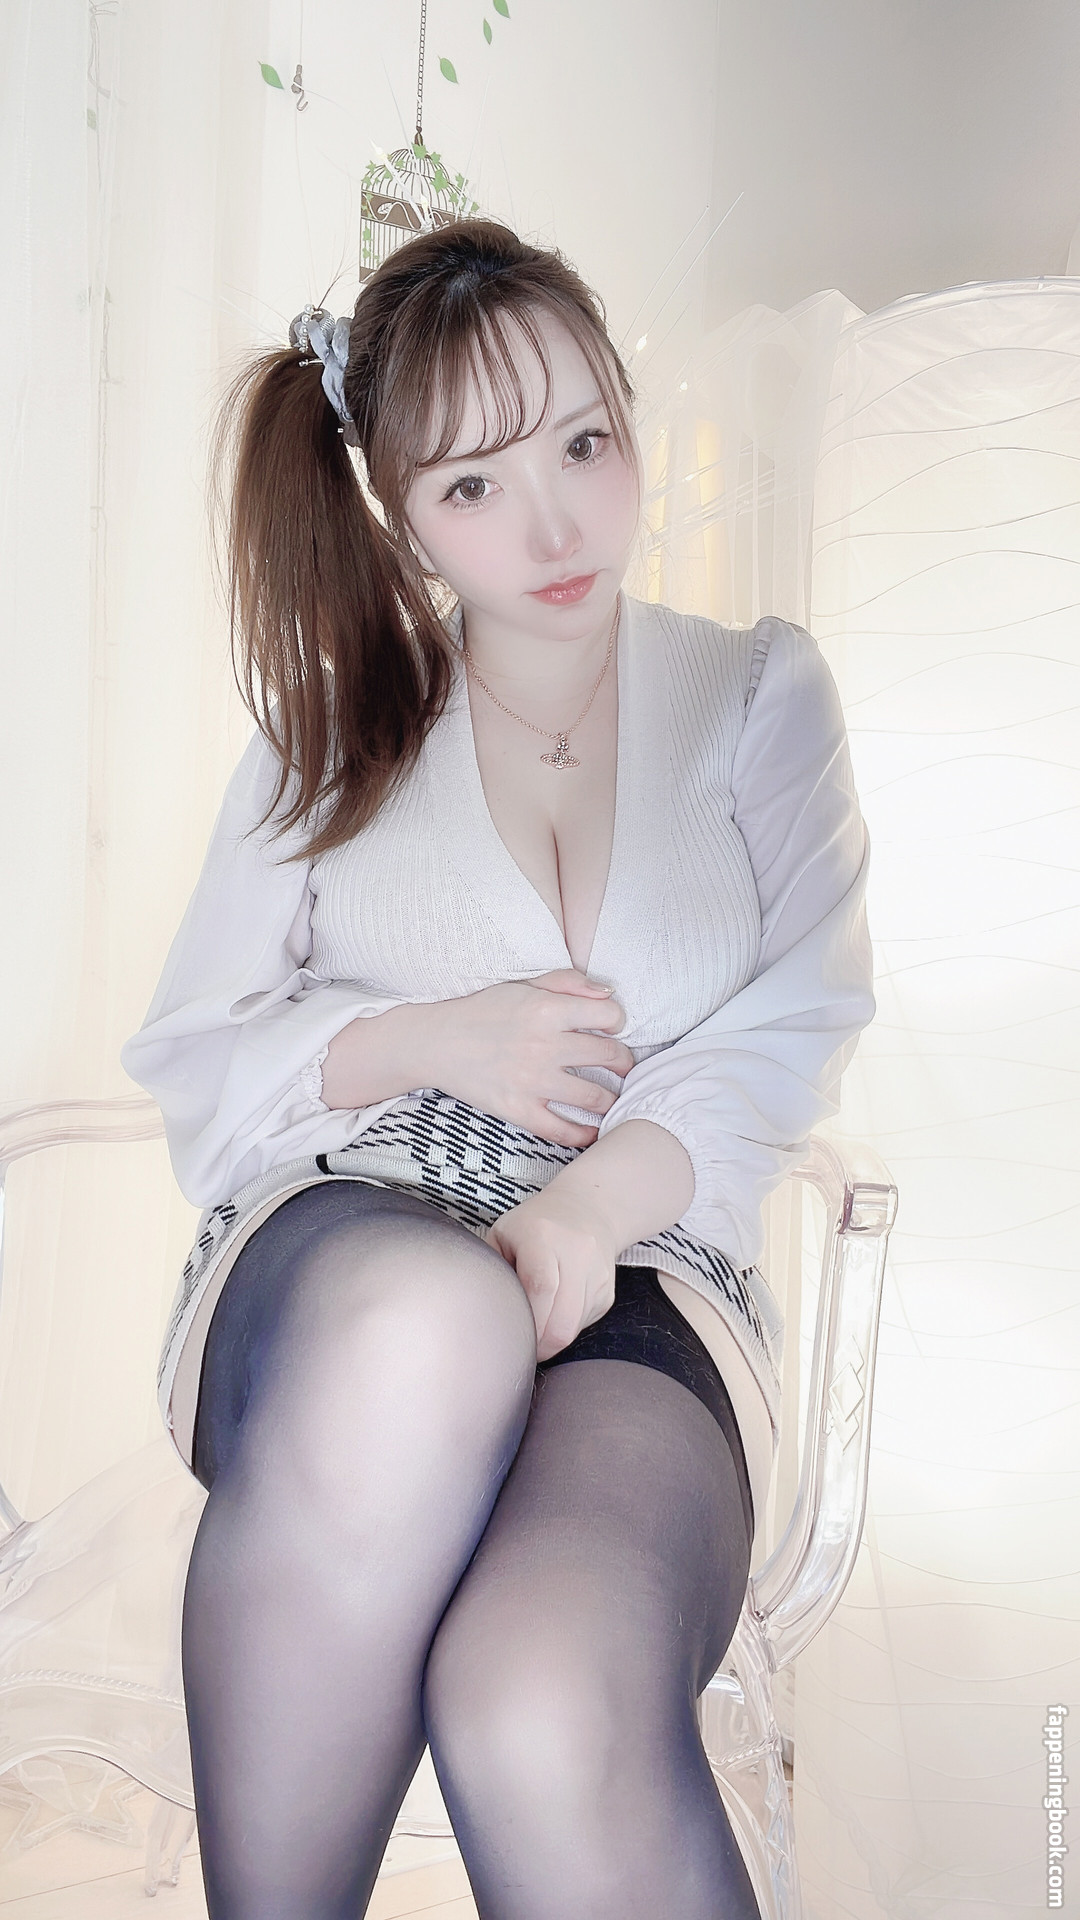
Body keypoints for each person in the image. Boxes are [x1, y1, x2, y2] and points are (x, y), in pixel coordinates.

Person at [120, 216, 875, 1920]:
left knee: (541, 1693)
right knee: (429, 1320)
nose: (553, 526)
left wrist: (588, 1213)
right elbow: (201, 1067)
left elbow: (793, 1028)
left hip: (651, 1280)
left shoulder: (755, 696)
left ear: (629, 414)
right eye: (473, 485)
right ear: (397, 509)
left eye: (585, 446)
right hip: (346, 1253)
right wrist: (424, 1038)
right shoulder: (333, 721)